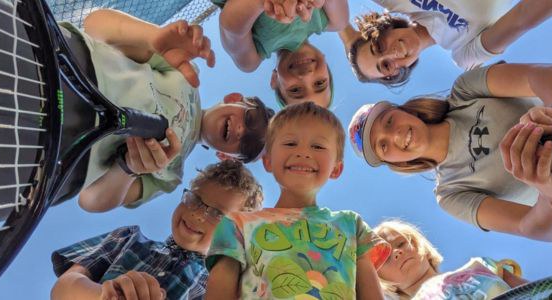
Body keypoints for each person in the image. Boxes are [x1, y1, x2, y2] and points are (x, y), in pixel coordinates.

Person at [55, 9, 274, 212]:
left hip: (55, 152)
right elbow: (97, 25)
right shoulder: (186, 74)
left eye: (249, 145)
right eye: (252, 119)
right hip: (62, 64)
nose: (242, 131)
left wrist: (129, 167)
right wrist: (152, 38)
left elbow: (91, 200)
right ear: (234, 98)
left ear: (227, 156)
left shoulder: (170, 176)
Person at [348, 62, 552, 241]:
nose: (395, 135)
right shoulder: (450, 194)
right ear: (394, 163)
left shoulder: (465, 91)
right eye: (383, 146)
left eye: (388, 121)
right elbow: (534, 228)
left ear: (403, 110)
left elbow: (544, 74)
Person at [204, 102, 391, 299]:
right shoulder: (237, 225)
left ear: (336, 169)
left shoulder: (352, 225)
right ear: (268, 160)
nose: (303, 152)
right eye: (290, 143)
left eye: (317, 146)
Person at [50, 160, 264, 300]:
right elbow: (63, 288)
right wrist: (105, 295)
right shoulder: (127, 238)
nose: (198, 214)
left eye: (218, 214)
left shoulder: (220, 288)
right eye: (196, 199)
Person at [338, 0, 552, 87]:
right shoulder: (464, 54)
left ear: (379, 30)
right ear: (399, 71)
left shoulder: (397, 2)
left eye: (378, 47)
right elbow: (522, 18)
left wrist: (342, 29)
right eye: (386, 66)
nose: (392, 54)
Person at [212, 0, 349, 107]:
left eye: (295, 90)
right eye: (319, 83)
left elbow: (230, 26)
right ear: (326, 64)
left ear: (274, 80)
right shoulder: (337, 20)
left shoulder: (251, 59)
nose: (306, 76)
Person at [375, 220, 527, 299]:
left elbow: (539, 290)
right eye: (386, 257)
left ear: (420, 246)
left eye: (401, 243)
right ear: (381, 280)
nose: (397, 252)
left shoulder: (480, 267)